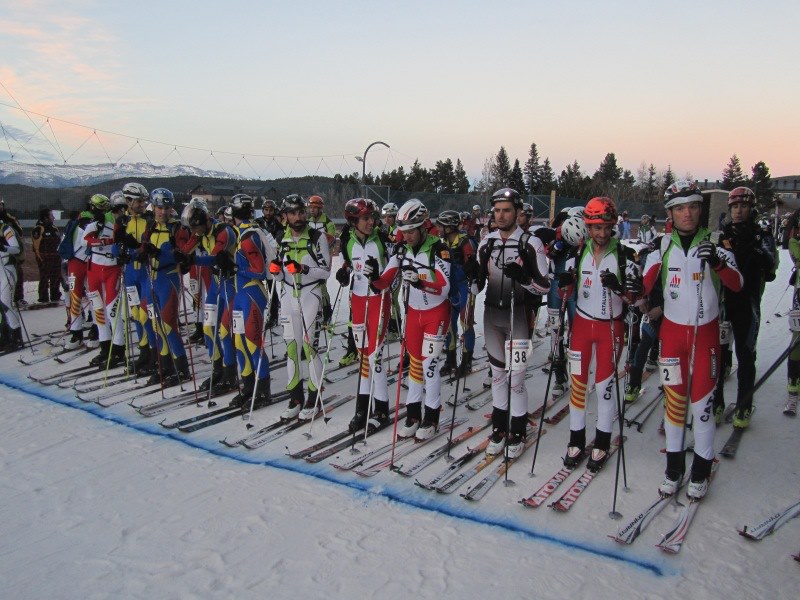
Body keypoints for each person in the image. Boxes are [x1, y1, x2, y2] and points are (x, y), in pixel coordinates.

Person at [641, 180, 742, 500]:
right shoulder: (662, 246)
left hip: (706, 337)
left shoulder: (715, 242)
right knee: (674, 406)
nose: (688, 213)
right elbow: (641, 286)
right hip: (671, 337)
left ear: (701, 209)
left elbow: (738, 284)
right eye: (681, 208)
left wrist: (718, 262)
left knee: (701, 407)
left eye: (693, 206)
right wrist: (628, 285)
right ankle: (673, 470)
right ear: (670, 212)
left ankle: (701, 469)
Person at [558, 197, 639, 472]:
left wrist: (620, 289)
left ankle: (602, 441)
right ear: (588, 228)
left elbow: (636, 301)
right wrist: (565, 285)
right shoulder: (577, 254)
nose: (601, 234)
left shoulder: (625, 256)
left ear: (613, 225)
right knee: (578, 383)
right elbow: (565, 293)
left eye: (606, 227)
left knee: (605, 388)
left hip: (611, 328)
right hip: (581, 325)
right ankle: (576, 440)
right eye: (595, 228)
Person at [475, 188, 550, 457]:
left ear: (518, 212)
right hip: (492, 316)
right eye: (497, 210)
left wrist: (525, 279)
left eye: (507, 210)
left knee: (516, 379)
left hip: (519, 316)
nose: (501, 215)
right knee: (497, 376)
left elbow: (545, 287)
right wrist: (473, 279)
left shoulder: (532, 243)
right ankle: (498, 428)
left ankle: (517, 429)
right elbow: (479, 282)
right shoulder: (487, 242)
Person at [368, 199, 451, 440]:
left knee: (430, 365)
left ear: (424, 226)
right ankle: (413, 414)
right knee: (414, 363)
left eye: (412, 231)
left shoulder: (439, 249)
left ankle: (432, 416)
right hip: (413, 314)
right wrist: (374, 276)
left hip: (436, 313)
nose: (408, 236)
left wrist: (420, 282)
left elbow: (444, 288)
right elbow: (384, 282)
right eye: (404, 231)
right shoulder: (401, 249)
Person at [713, 186, 777, 427]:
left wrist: (753, 249)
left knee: (746, 354)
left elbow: (771, 268)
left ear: (751, 208)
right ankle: (717, 402)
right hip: (724, 301)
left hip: (748, 302)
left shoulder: (761, 233)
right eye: (735, 207)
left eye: (743, 206)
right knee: (718, 355)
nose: (739, 211)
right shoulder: (724, 233)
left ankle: (744, 406)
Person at [270, 194, 330, 420]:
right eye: (293, 213)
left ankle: (314, 396)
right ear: (285, 216)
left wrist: (303, 270)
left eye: (301, 212)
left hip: (310, 295)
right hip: (287, 295)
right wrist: (276, 272)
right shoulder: (281, 238)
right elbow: (277, 272)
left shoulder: (317, 237)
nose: (299, 217)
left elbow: (325, 271)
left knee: (308, 347)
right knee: (292, 349)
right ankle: (295, 397)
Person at [335, 198, 393, 432]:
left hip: (379, 299)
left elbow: (394, 272)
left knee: (375, 356)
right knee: (363, 356)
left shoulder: (383, 239)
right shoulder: (347, 239)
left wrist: (381, 279)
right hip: (358, 300)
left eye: (372, 217)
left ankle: (381, 408)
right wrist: (343, 273)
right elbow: (347, 264)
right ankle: (362, 408)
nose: (371, 222)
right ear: (353, 221)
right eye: (366, 218)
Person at [176, 199, 239, 395]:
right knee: (208, 327)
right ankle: (217, 368)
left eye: (196, 227)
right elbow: (186, 250)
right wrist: (180, 258)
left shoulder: (223, 231)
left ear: (203, 220)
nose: (195, 232)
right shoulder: (199, 232)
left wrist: (193, 259)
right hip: (216, 284)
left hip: (232, 283)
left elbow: (216, 256)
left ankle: (230, 372)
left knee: (224, 331)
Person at [226, 194, 276, 408]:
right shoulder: (243, 233)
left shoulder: (248, 237)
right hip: (241, 295)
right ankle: (248, 387)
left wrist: (236, 268)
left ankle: (262, 391)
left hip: (252, 294)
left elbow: (259, 271)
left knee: (253, 344)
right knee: (239, 342)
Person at [138, 188, 190, 385]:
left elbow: (182, 255)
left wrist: (159, 254)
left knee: (168, 325)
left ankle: (181, 367)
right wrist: (140, 252)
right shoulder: (150, 226)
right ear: (154, 207)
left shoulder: (177, 228)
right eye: (160, 208)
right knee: (154, 324)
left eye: (167, 208)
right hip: (152, 279)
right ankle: (164, 364)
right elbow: (144, 247)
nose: (163, 212)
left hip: (168, 280)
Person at [83, 194, 127, 368]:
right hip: (94, 268)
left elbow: (119, 240)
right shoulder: (93, 224)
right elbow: (84, 241)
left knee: (112, 310)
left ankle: (118, 349)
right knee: (98, 310)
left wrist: (109, 240)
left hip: (111, 268)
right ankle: (105, 348)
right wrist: (99, 239)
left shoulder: (115, 222)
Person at [436, 210, 478, 377]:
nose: (438, 228)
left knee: (466, 323)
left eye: (441, 226)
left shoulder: (465, 242)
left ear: (449, 226)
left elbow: (474, 264)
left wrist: (470, 272)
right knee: (448, 323)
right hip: (450, 287)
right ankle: (451, 359)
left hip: (465, 287)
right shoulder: (442, 242)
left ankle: (467, 362)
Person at [0, 214, 24, 351]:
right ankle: (4, 337)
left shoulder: (5, 229)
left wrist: (3, 247)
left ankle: (16, 337)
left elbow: (16, 248)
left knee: (6, 304)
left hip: (7, 271)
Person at [31, 208, 62, 304]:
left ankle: (55, 296)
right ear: (46, 218)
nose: (53, 217)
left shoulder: (54, 228)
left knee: (56, 277)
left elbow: (59, 242)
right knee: (44, 278)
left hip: (56, 258)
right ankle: (43, 297)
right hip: (44, 258)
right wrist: (40, 258)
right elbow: (36, 246)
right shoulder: (38, 228)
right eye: (51, 215)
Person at [0, 199, 26, 305]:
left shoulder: (9, 219)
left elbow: (19, 231)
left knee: (17, 274)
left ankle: (18, 297)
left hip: (10, 254)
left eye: (0, 205)